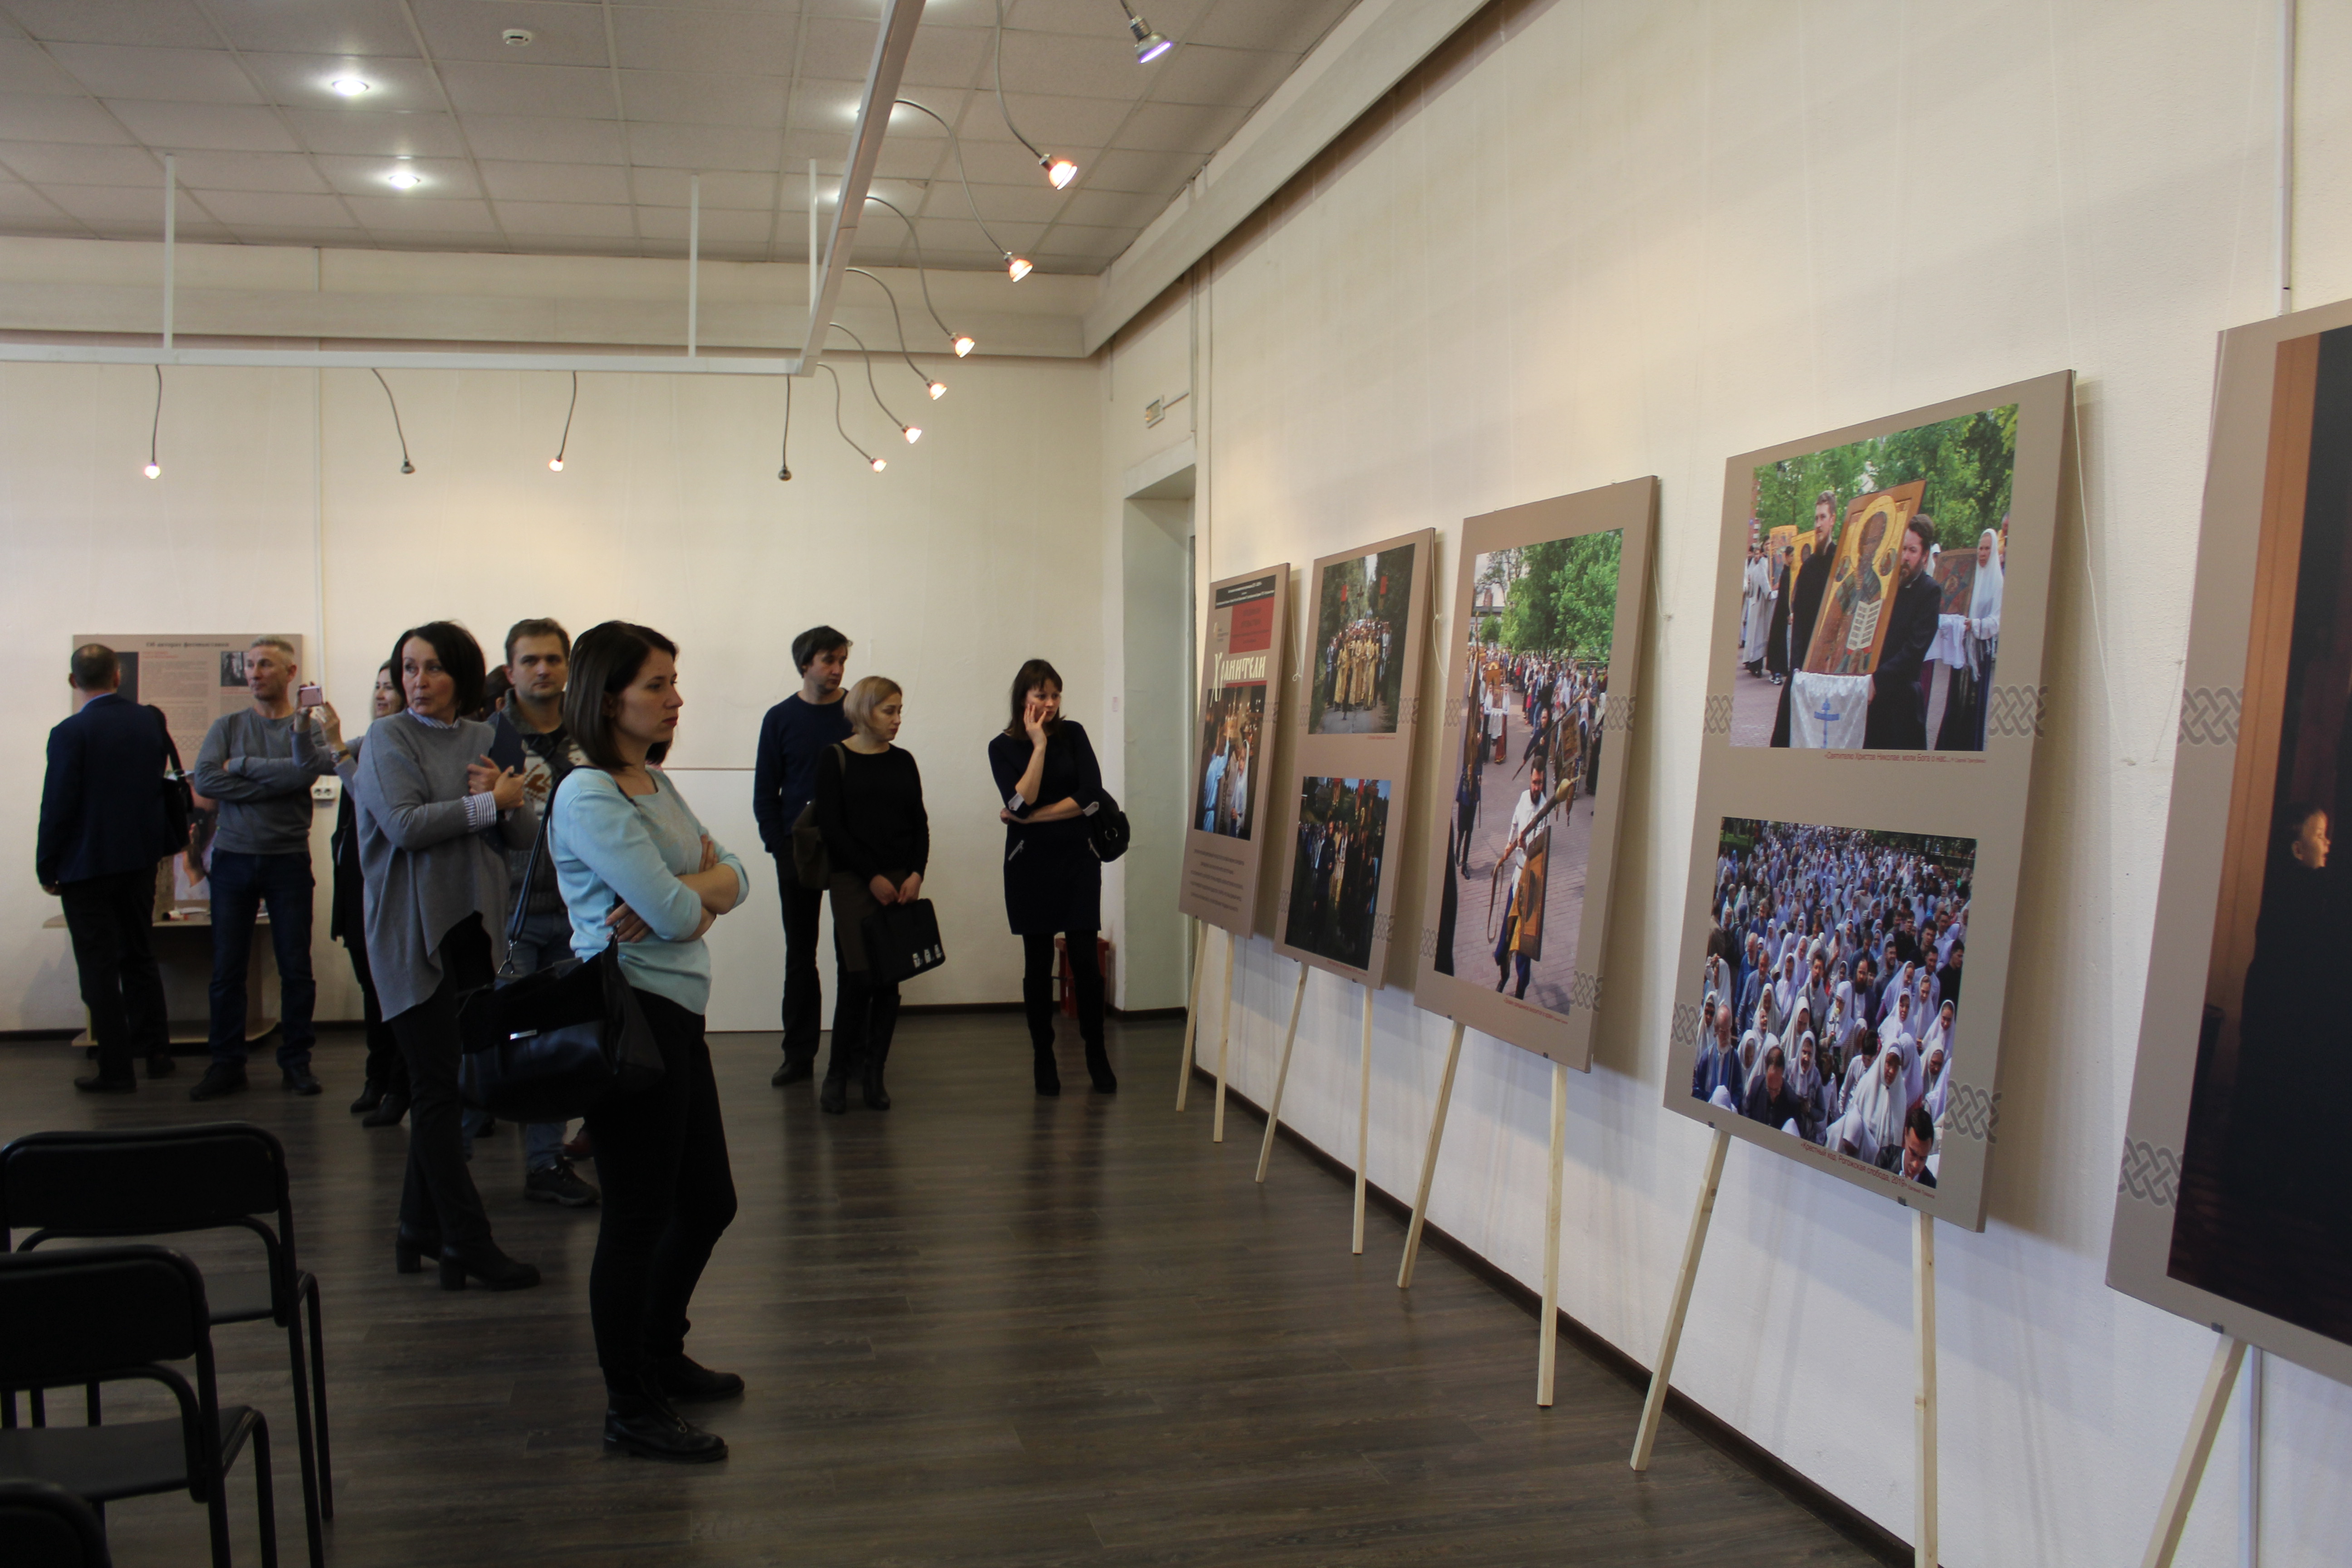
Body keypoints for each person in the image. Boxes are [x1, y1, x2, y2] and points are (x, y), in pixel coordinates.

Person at [553, 621, 748, 1463]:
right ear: (608, 700)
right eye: (657, 685)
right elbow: (676, 914)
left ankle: (661, 1351)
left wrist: (693, 890)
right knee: (636, 1216)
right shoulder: (589, 794)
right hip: (629, 1017)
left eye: (673, 681)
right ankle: (629, 1404)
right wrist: (693, 897)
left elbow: (738, 873)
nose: (676, 698)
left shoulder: (653, 783)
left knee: (708, 1202)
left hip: (675, 1011)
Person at [348, 621, 540, 1292]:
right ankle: (465, 1238)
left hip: (472, 930)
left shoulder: (487, 736)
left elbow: (520, 832)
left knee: (448, 1083)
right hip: (411, 932)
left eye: (432, 668)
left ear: (461, 673)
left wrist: (509, 802)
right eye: (408, 668)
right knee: (433, 1089)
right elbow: (404, 827)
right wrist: (489, 801)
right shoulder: (387, 738)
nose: (417, 681)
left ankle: (417, 1227)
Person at [187, 636, 339, 1099]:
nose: (255, 673)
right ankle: (226, 1064)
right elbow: (206, 779)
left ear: (290, 673)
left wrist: (242, 767)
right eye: (250, 665)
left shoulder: (306, 727)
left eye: (266, 665)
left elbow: (305, 772)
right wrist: (274, 784)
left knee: (296, 968)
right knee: (228, 970)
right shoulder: (228, 725)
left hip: (287, 860)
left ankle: (297, 1063)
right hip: (233, 859)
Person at [485, 617, 600, 1208]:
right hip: (510, 911)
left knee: (559, 1042)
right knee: (496, 1039)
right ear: (510, 671)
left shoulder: (590, 734)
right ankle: (451, 1160)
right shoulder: (489, 737)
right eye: (530, 660)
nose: (543, 670)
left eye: (554, 659)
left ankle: (545, 1163)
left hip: (578, 912)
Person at [38, 643, 180, 1092]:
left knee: (98, 967)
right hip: (139, 860)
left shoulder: (69, 732)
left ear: (73, 682)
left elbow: (58, 804)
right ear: (118, 676)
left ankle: (117, 1069)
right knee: (140, 955)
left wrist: (47, 865)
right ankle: (157, 1054)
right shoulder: (150, 721)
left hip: (86, 866)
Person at [988, 660, 1115, 1097]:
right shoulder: (1002, 747)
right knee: (1038, 964)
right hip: (1030, 864)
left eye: (1055, 695)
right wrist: (1039, 746)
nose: (1050, 704)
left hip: (1078, 859)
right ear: (1023, 698)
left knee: (1085, 961)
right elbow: (1018, 802)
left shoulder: (1074, 734)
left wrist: (1030, 817)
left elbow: (1091, 796)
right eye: (1041, 695)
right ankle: (1043, 1057)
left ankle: (1097, 1054)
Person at [813, 675, 927, 1114]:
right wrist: (872, 876)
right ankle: (837, 1074)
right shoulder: (835, 758)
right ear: (865, 711)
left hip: (898, 881)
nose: (897, 720)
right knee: (858, 978)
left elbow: (919, 823)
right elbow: (832, 828)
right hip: (854, 882)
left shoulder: (903, 761)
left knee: (889, 979)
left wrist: (916, 873)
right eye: (889, 711)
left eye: (899, 711)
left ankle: (875, 1074)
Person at [751, 626, 854, 1088]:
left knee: (853, 955)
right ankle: (798, 1055)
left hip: (851, 850)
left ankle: (851, 1055)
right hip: (798, 851)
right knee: (800, 955)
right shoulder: (780, 718)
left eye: (842, 661)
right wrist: (780, 848)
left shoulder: (856, 711)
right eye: (829, 660)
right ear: (805, 664)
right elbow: (766, 792)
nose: (837, 670)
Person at [338, 662, 410, 1125]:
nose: (382, 695)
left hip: (392, 880)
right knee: (370, 986)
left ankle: (398, 1086)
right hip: (355, 877)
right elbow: (301, 765)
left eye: (391, 687)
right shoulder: (362, 743)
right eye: (378, 686)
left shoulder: (401, 747)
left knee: (399, 991)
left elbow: (369, 799)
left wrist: (337, 754)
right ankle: (377, 1077)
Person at [1862, 515, 1944, 750]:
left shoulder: (1930, 592)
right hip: (1876, 701)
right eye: (1903, 549)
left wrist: (1877, 679)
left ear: (1925, 555)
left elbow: (1914, 651)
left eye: (1913, 550)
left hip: (1902, 703)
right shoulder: (1888, 587)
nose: (1905, 556)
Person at [1771, 493, 1841, 746]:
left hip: (1832, 667)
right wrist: (1797, 669)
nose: (1818, 524)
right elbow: (1799, 623)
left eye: (1823, 518)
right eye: (1816, 519)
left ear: (1833, 520)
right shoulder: (1808, 567)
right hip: (1806, 665)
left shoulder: (1842, 562)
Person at [1899, 1106, 1939, 1187]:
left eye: (1923, 1159)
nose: (1916, 1165)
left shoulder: (1931, 1185)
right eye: (1913, 1154)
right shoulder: (1886, 1160)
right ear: (1906, 1134)